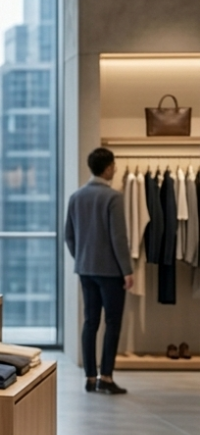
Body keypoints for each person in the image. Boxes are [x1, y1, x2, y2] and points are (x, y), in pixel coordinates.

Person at [65, 147, 133, 394]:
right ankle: (106, 377)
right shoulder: (113, 197)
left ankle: (89, 377)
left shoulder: (76, 196)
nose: (115, 169)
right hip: (111, 272)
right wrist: (127, 270)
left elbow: (69, 236)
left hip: (85, 269)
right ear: (107, 168)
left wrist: (82, 258)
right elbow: (118, 237)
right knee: (112, 322)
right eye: (113, 165)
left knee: (90, 321)